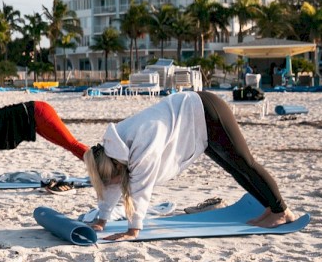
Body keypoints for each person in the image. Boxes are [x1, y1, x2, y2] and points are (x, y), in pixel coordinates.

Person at [84, 91, 295, 241]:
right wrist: (102, 220)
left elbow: (141, 189)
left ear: (116, 167)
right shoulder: (111, 151)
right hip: (197, 125)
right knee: (235, 169)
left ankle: (281, 211)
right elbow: (110, 187)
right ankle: (269, 208)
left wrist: (133, 230)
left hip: (208, 111)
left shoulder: (140, 145)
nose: (117, 185)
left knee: (246, 163)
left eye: (115, 180)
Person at [0, 101, 87, 187]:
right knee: (68, 145)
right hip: (36, 120)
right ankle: (96, 165)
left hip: (40, 112)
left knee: (71, 143)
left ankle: (99, 164)